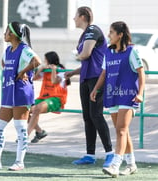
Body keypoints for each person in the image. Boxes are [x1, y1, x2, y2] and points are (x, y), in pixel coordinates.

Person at [90, 21, 145, 178]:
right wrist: (96, 89)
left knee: (121, 129)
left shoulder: (132, 51)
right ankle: (131, 164)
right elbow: (103, 73)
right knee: (122, 130)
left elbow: (141, 73)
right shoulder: (108, 52)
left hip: (128, 95)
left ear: (120, 35)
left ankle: (115, 164)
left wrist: (140, 93)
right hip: (112, 95)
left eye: (112, 32)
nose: (109, 35)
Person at [64, 6, 114, 168]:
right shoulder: (84, 34)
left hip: (97, 79)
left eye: (76, 16)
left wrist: (76, 55)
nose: (74, 19)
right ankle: (90, 155)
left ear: (83, 17)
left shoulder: (93, 30)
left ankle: (110, 154)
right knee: (88, 117)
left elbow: (85, 54)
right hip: (86, 79)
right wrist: (72, 73)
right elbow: (88, 61)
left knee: (96, 115)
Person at [0, 21, 41, 171]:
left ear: (12, 34)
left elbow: (37, 61)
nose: (4, 34)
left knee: (20, 128)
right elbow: (4, 64)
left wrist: (23, 71)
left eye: (6, 31)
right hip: (8, 92)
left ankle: (19, 162)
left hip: (21, 92)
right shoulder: (7, 50)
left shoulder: (24, 49)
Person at [27, 51, 70, 143]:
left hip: (56, 99)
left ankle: (25, 135)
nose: (44, 61)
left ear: (49, 60)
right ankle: (39, 131)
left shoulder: (61, 70)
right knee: (24, 109)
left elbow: (54, 81)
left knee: (37, 108)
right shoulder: (45, 70)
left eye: (45, 60)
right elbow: (33, 78)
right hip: (43, 97)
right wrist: (41, 67)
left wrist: (54, 70)